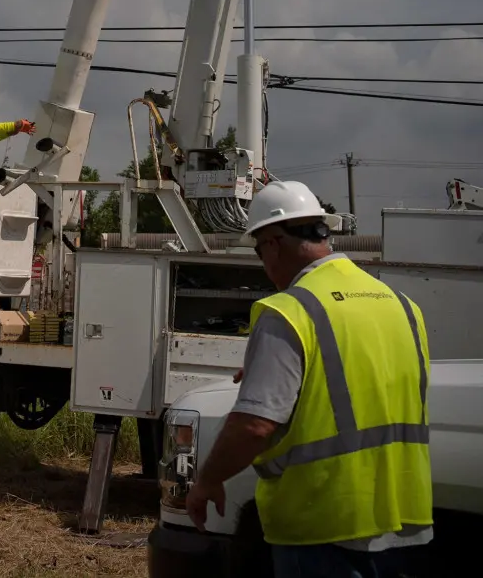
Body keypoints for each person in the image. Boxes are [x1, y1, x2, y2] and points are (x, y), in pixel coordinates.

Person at [185, 180, 432, 577]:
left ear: (273, 244)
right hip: (405, 521)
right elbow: (370, 383)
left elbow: (255, 425)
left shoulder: (288, 311)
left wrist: (207, 480)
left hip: (323, 525)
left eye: (258, 250)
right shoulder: (401, 306)